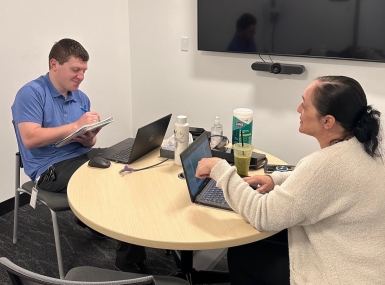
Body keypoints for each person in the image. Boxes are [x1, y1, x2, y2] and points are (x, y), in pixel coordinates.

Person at [195, 76, 385, 284]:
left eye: (304, 105)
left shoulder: (324, 166)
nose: (298, 109)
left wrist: (220, 170)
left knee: (245, 252)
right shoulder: (367, 144)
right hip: (367, 260)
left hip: (340, 274)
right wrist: (276, 180)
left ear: (327, 121)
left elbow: (262, 214)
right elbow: (323, 182)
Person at [11, 38, 146, 273]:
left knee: (130, 164)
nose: (81, 76)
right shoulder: (31, 93)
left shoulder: (80, 97)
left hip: (82, 154)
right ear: (54, 64)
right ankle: (127, 260)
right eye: (75, 70)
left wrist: (88, 136)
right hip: (49, 167)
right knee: (111, 180)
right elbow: (30, 138)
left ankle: (95, 219)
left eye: (84, 70)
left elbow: (89, 141)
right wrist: (75, 125)